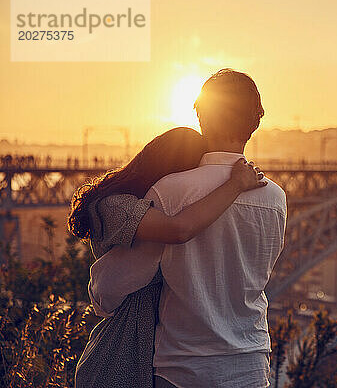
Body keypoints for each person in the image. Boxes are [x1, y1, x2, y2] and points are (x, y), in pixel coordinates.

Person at [88, 69, 287, 387]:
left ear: (202, 118)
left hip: (184, 367)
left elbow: (126, 276)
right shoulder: (276, 198)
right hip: (251, 363)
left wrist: (101, 295)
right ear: (256, 121)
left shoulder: (170, 191)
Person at [70, 126, 267, 388]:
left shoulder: (151, 206)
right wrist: (235, 185)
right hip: (126, 344)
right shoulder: (116, 205)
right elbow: (179, 230)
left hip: (162, 343)